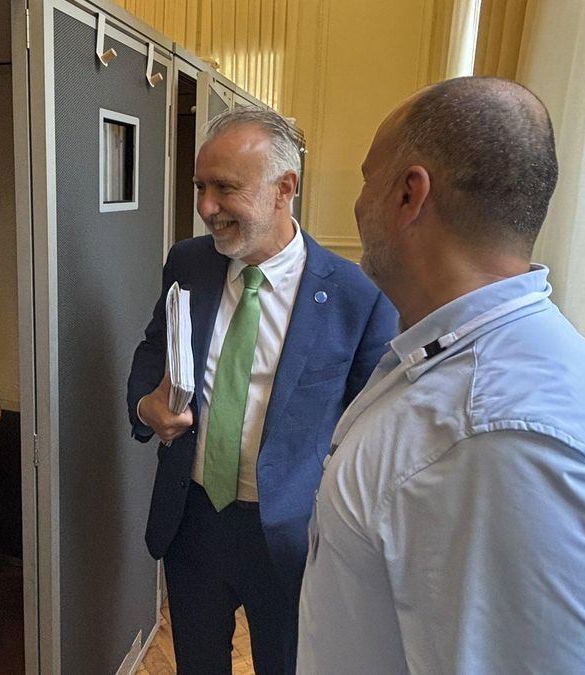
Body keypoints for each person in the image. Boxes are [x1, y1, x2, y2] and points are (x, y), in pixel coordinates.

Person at [297, 77, 585, 674]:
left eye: (368, 178)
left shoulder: (504, 442)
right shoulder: (452, 366)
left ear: (409, 195)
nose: (358, 204)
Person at [127, 106, 397, 674]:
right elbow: (155, 347)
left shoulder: (357, 298)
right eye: (201, 186)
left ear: (285, 188)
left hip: (290, 536)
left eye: (225, 188)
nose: (205, 208)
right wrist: (144, 404)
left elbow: (372, 432)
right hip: (192, 519)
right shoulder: (188, 262)